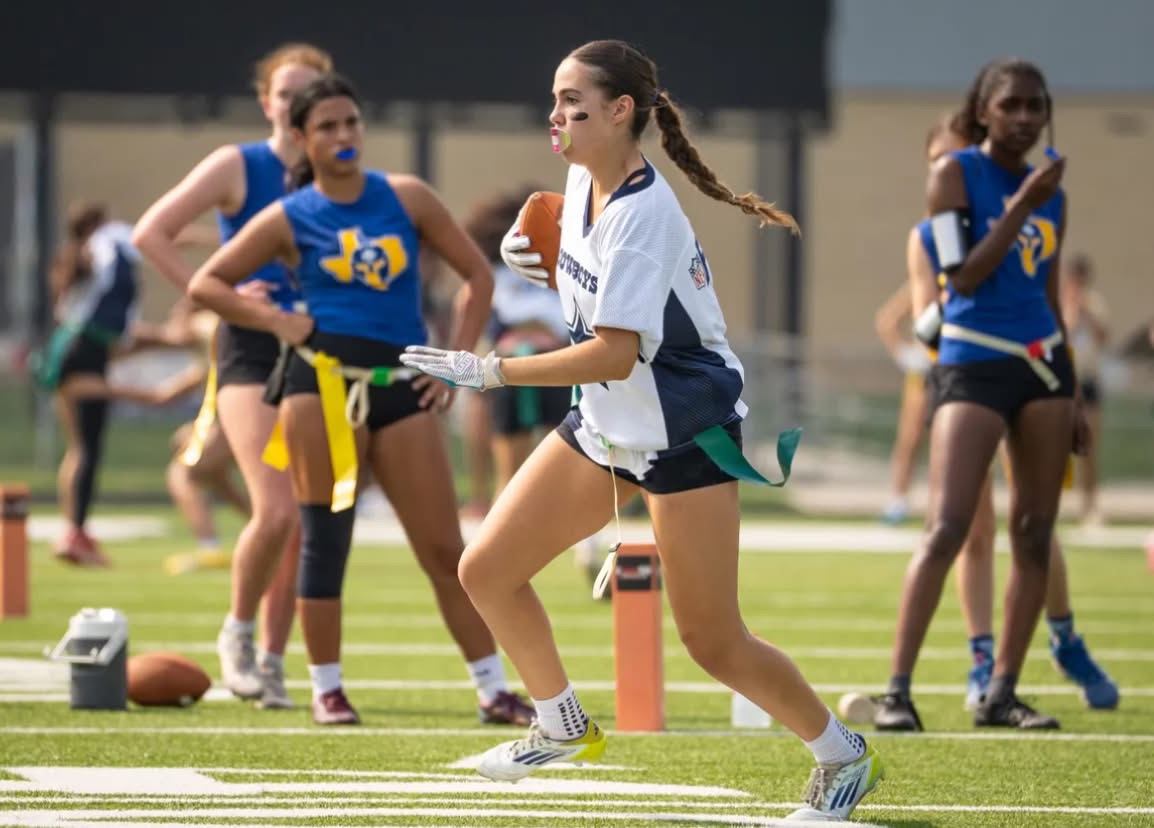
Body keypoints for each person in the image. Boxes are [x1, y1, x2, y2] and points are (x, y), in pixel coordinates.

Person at [400, 40, 882, 821]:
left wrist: (488, 371)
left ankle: (842, 754)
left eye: (573, 103)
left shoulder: (646, 213)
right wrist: (543, 259)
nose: (554, 116)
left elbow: (616, 353)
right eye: (555, 100)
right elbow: (600, 301)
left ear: (622, 111)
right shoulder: (581, 180)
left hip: (685, 432)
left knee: (713, 641)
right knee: (485, 568)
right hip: (607, 425)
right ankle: (560, 724)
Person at [186, 72, 535, 728]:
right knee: (325, 539)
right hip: (318, 387)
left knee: (444, 549)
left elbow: (478, 277)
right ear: (300, 139)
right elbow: (209, 285)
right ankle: (327, 689)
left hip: (402, 386)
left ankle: (493, 690)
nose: (343, 136)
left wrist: (457, 366)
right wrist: (275, 322)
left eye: (351, 123)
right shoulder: (287, 215)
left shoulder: (405, 197)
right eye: (326, 127)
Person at [875, 59, 1088, 732]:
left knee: (1034, 533)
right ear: (986, 111)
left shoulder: (1054, 192)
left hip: (1042, 365)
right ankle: (897, 693)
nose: (1026, 118)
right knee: (948, 526)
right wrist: (1021, 201)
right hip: (972, 362)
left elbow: (1048, 293)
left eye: (1037, 106)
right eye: (1013, 106)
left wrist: (1072, 386)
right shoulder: (955, 175)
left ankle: (1001, 693)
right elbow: (960, 277)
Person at [133, 43, 333, 709]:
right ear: (267, 101)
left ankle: (273, 662)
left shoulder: (338, 172)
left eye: (313, 93)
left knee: (305, 521)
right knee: (273, 509)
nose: (298, 103)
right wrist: (219, 294)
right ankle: (238, 634)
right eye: (287, 92)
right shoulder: (237, 164)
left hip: (320, 350)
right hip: (250, 347)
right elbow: (151, 232)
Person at [35, 202, 200, 566]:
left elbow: (121, 339)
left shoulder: (85, 255)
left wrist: (168, 342)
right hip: (82, 349)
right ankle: (75, 534)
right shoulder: (111, 236)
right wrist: (217, 237)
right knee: (87, 449)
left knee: (80, 448)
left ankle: (73, 532)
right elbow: (161, 234)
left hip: (75, 344)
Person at [463, 187, 572, 497]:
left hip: (548, 362)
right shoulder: (496, 270)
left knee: (560, 463)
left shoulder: (561, 267)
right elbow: (471, 306)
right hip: (519, 365)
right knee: (514, 472)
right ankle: (491, 508)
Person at [163, 305, 252, 575]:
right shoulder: (215, 346)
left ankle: (209, 548)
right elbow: (175, 389)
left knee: (183, 473)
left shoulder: (206, 323)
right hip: (248, 413)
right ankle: (274, 531)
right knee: (214, 475)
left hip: (241, 414)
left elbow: (178, 334)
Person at [874, 282, 933, 525]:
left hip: (958, 367)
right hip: (925, 373)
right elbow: (887, 321)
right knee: (910, 437)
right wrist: (906, 355)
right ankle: (898, 500)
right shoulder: (920, 285)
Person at [1061, 254, 1109, 526]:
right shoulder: (1059, 304)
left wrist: (1087, 313)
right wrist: (1072, 312)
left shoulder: (1094, 304)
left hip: (1088, 383)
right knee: (1055, 447)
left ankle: (1089, 506)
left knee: (1089, 448)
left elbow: (1104, 336)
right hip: (1066, 382)